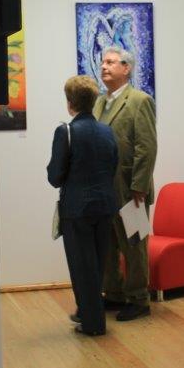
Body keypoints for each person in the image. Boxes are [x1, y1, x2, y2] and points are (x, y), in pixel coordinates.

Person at [47, 75, 118, 336]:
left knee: (81, 267)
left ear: (70, 103)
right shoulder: (107, 131)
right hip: (105, 206)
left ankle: (93, 323)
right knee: (97, 266)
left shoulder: (65, 132)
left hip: (77, 209)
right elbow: (113, 166)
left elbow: (55, 176)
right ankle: (87, 312)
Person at [93, 47, 157, 321]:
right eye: (102, 62)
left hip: (132, 189)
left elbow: (147, 146)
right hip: (103, 188)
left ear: (126, 68)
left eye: (110, 62)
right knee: (108, 244)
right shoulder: (99, 102)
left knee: (134, 244)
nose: (104, 66)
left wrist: (139, 185)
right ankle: (114, 293)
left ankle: (139, 298)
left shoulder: (140, 100)